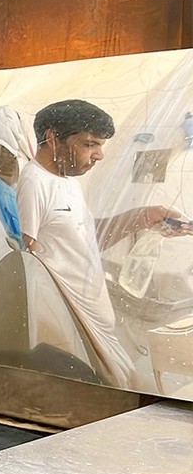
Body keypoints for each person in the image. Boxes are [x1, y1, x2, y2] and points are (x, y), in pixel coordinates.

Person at [16, 99, 192, 388]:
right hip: (68, 327)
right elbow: (25, 260)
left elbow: (85, 238)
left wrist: (145, 216)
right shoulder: (34, 183)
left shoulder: (68, 181)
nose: (99, 155)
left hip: (97, 318)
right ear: (52, 138)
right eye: (89, 144)